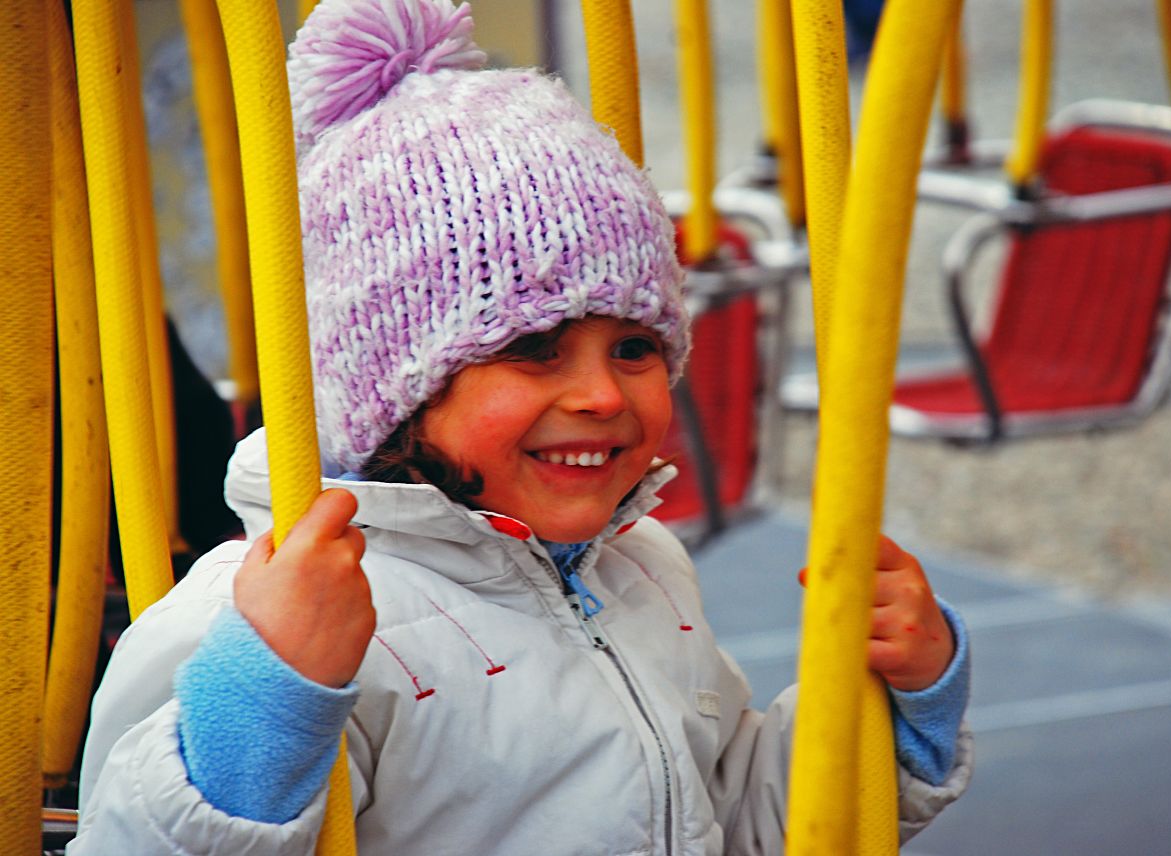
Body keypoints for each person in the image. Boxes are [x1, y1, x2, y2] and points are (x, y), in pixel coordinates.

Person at [70, 1, 972, 852]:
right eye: (535, 348)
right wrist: (266, 705)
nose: (604, 397)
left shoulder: (644, 567)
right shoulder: (269, 617)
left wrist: (895, 711)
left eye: (634, 346)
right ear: (396, 386)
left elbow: (730, 821)